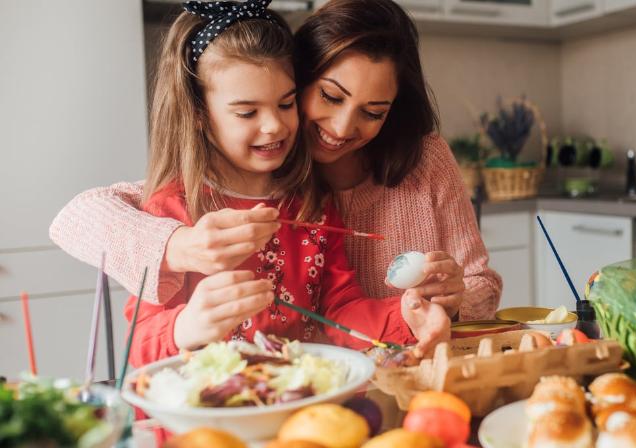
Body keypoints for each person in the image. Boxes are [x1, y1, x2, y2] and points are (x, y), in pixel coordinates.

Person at [49, 0, 501, 323]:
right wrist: (177, 247)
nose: (343, 128)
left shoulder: (401, 167)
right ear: (298, 78)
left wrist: (450, 299)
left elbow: (478, 286)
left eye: (373, 112)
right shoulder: (222, 185)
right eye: (329, 96)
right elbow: (78, 216)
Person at [101, 0, 450, 367]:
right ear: (199, 114)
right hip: (206, 414)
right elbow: (137, 348)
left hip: (295, 406)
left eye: (285, 104)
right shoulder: (171, 212)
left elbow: (340, 309)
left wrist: (404, 317)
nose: (274, 126)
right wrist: (184, 326)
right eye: (247, 112)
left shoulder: (309, 201)